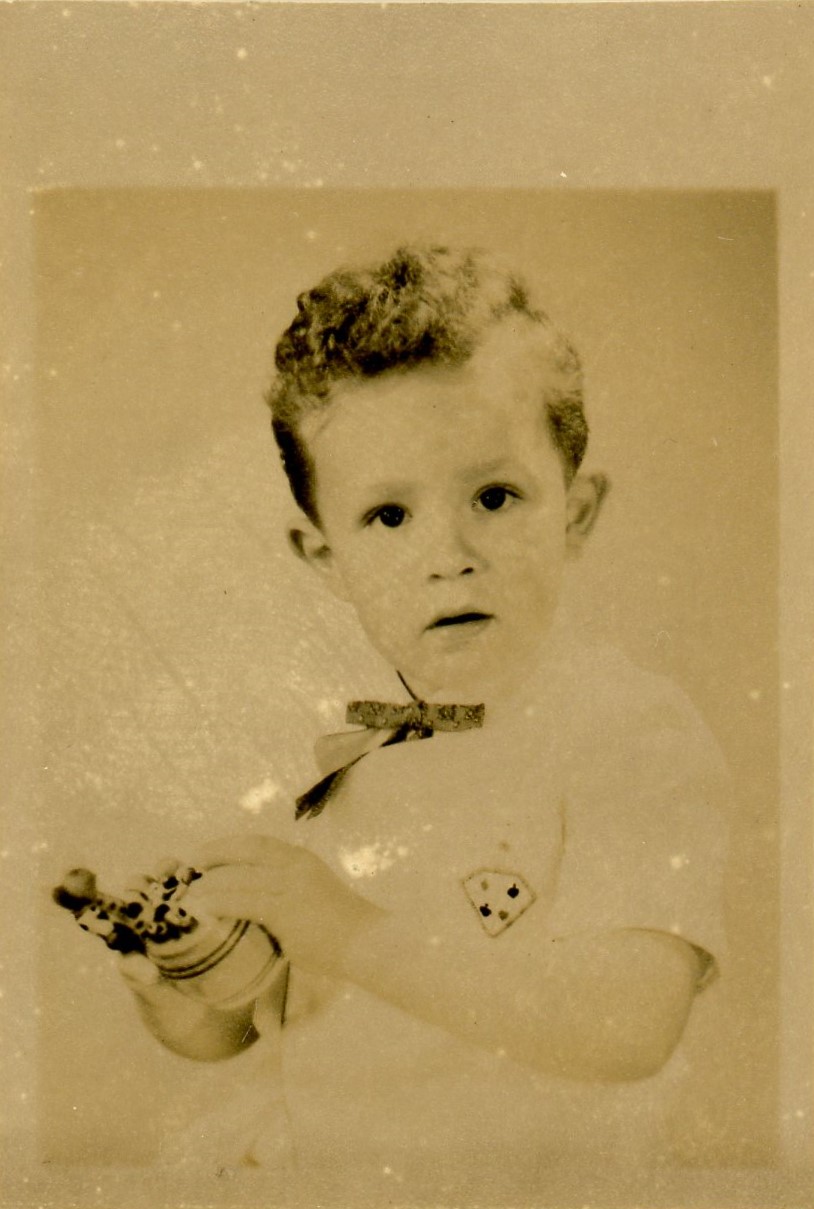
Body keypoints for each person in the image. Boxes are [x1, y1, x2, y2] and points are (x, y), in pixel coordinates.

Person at [117, 245, 729, 1198]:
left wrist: (347, 929)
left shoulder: (627, 729)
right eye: (389, 517)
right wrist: (181, 971)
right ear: (326, 557)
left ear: (575, 514)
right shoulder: (336, 753)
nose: (449, 554)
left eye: (495, 497)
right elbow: (242, 1028)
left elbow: (631, 1028)